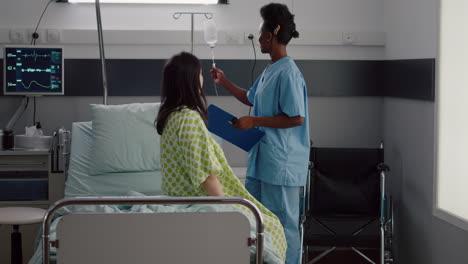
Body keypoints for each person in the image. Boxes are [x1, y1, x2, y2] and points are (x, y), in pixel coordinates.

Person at [155, 51, 287, 262]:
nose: (202, 78)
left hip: (177, 202)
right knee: (271, 226)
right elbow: (207, 176)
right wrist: (229, 214)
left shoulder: (170, 116)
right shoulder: (189, 119)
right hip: (196, 203)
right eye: (199, 73)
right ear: (191, 79)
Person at [210, 3, 310, 264]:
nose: (258, 36)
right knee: (259, 222)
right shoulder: (270, 70)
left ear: (270, 34)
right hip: (262, 161)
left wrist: (254, 121)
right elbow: (250, 97)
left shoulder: (288, 73)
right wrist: (224, 81)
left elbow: (296, 117)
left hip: (282, 164)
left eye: (260, 30)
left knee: (284, 225)